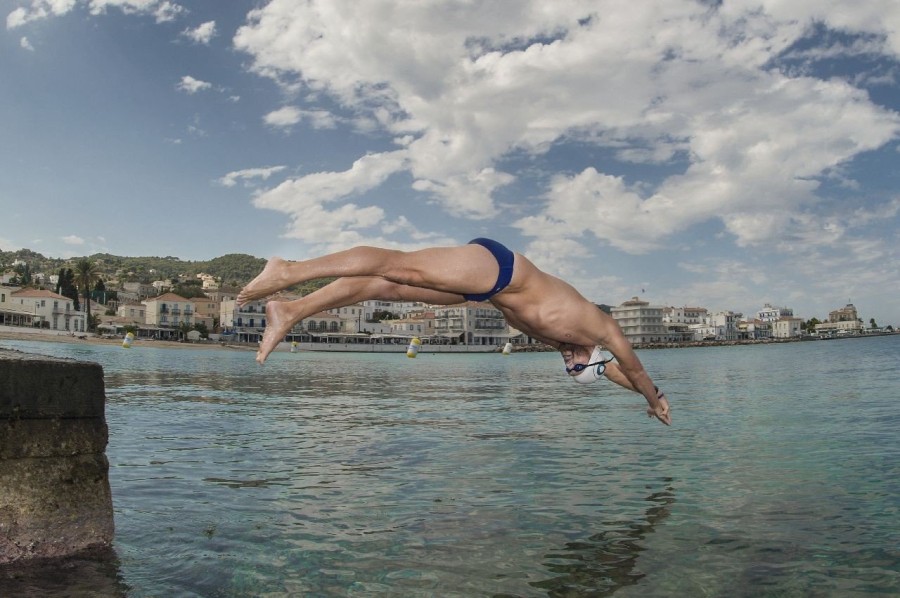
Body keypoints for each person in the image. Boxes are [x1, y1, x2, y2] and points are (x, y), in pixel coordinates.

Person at [238, 238, 671, 425]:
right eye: (576, 365)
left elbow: (613, 374)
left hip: (489, 292)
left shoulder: (563, 340)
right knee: (396, 265)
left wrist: (643, 397)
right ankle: (290, 271)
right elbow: (631, 368)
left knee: (392, 287)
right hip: (502, 271)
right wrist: (656, 400)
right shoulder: (600, 327)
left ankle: (292, 310)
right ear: (590, 350)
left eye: (572, 369)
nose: (568, 363)